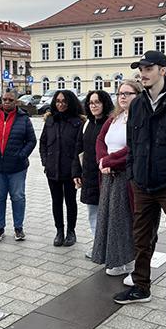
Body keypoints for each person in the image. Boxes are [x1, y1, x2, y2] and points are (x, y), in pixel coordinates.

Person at [114, 51, 166, 319]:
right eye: (140, 68)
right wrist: (132, 173)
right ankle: (141, 286)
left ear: (163, 70)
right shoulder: (138, 104)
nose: (143, 72)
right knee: (141, 238)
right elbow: (132, 143)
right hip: (142, 183)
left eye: (148, 68)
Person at [91, 80, 142, 275]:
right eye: (120, 93)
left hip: (125, 176)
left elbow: (133, 149)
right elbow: (100, 140)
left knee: (123, 219)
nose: (122, 96)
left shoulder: (139, 119)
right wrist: (102, 161)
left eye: (128, 93)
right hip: (108, 176)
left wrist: (110, 162)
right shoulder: (114, 118)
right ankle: (115, 260)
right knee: (109, 219)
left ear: (138, 96)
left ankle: (129, 261)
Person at [0, 88, 37, 241]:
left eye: (10, 100)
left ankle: (18, 228)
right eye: (4, 99)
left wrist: (22, 154)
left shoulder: (23, 119)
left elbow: (32, 140)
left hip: (17, 167)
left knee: (18, 197)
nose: (6, 102)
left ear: (16, 101)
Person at [40, 90, 84, 246]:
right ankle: (59, 231)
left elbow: (80, 148)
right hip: (52, 169)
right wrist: (45, 162)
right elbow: (43, 143)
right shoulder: (50, 120)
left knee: (71, 202)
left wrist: (77, 170)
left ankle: (71, 232)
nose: (60, 104)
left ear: (70, 102)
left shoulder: (78, 122)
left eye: (64, 101)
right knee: (56, 201)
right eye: (58, 101)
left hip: (70, 170)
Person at [72, 89, 115, 237]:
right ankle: (97, 244)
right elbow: (78, 149)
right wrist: (76, 172)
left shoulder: (112, 123)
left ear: (105, 103)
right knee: (93, 213)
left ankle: (108, 246)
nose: (93, 106)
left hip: (107, 176)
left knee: (109, 214)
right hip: (89, 176)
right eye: (91, 102)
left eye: (97, 102)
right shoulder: (87, 124)